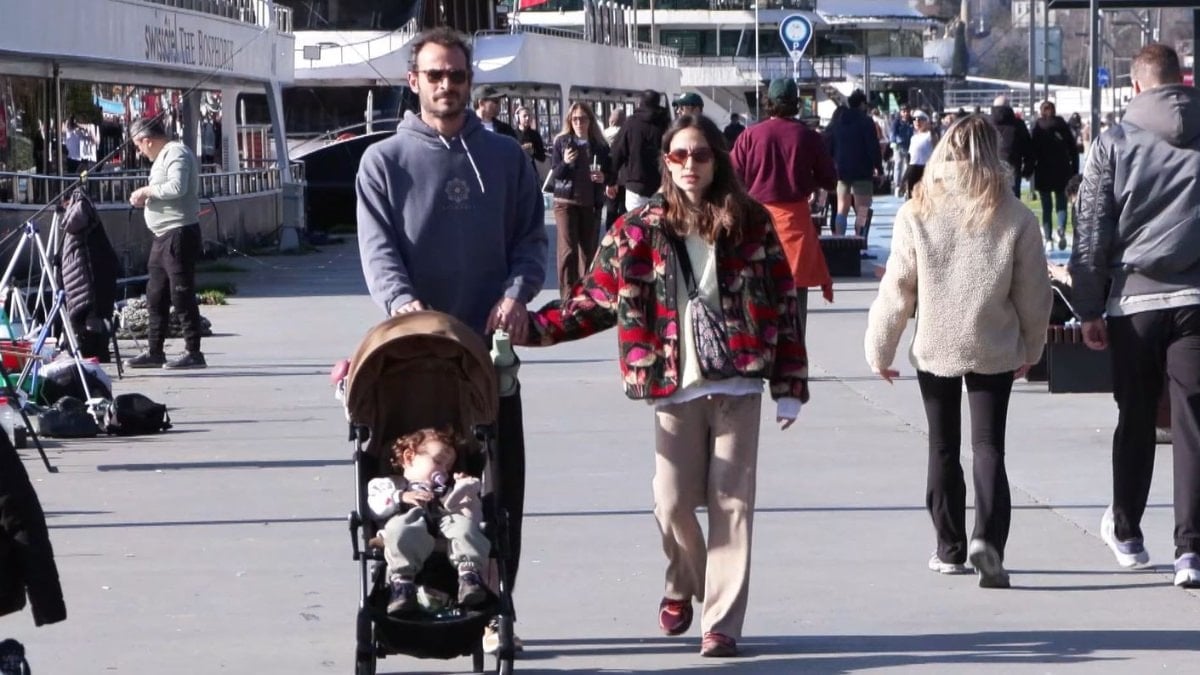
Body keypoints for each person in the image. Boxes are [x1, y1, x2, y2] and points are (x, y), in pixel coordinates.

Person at [520, 115, 808, 658]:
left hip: (739, 381)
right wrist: (528, 329)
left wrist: (790, 382)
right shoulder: (638, 227)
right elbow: (593, 302)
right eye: (678, 156)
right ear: (665, 162)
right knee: (672, 502)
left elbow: (784, 303)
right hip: (670, 381)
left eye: (700, 155)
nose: (690, 166)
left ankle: (720, 622)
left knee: (732, 504)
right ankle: (683, 580)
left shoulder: (750, 221)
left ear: (718, 159)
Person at [354, 26, 546, 650]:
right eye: (434, 75)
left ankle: (496, 609)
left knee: (499, 489)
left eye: (457, 76)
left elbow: (530, 240)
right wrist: (405, 307)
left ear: (471, 82)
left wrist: (517, 293)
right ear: (414, 82)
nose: (447, 86)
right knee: (417, 489)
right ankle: (410, 590)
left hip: (490, 359)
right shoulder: (383, 162)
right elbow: (379, 252)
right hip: (414, 355)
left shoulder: (506, 158)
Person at [865, 115, 1052, 589]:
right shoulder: (1014, 214)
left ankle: (948, 548)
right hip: (994, 341)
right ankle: (988, 540)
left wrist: (880, 348)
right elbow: (1035, 293)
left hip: (936, 343)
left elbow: (898, 289)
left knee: (942, 444)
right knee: (989, 446)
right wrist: (1032, 345)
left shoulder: (917, 209)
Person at [1067, 43, 1200, 589]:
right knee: (1193, 422)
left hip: (1135, 301)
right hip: (1195, 297)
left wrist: (1089, 306)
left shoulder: (1113, 142)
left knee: (1137, 415)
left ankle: (1127, 530)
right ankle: (1190, 550)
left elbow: (1093, 227)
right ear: (1180, 80)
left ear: (1137, 85)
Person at [731, 77, 836, 329]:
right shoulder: (808, 137)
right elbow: (830, 180)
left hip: (757, 220)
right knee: (796, 288)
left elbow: (733, 177)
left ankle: (763, 351)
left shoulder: (750, 135)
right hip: (795, 221)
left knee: (758, 286)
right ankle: (795, 354)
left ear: (769, 103)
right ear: (796, 104)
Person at [367, 427, 489, 615]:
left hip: (443, 525)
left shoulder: (447, 490)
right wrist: (400, 497)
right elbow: (374, 506)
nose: (444, 471)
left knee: (465, 527)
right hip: (409, 526)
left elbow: (472, 518)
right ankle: (402, 583)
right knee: (400, 529)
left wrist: (465, 491)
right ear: (409, 457)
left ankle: (469, 575)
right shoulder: (391, 484)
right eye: (438, 462)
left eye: (448, 467)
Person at [126, 117, 206, 370]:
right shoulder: (162, 157)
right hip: (162, 237)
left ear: (147, 140)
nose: (139, 152)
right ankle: (155, 351)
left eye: (138, 146)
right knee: (156, 295)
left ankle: (194, 352)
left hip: (178, 233)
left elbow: (177, 187)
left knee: (181, 294)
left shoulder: (176, 153)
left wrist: (147, 191)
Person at [548, 102, 613, 299]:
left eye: (583, 119)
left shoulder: (599, 146)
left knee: (589, 252)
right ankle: (567, 297)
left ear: (590, 121)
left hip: (590, 203)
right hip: (565, 202)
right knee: (568, 251)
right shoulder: (562, 142)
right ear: (570, 121)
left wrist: (604, 178)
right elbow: (556, 175)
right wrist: (566, 162)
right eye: (575, 119)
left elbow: (611, 174)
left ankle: (585, 295)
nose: (578, 123)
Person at [826, 90, 882, 236]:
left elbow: (829, 143)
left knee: (841, 209)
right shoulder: (866, 121)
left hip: (842, 171)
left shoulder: (838, 121)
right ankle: (860, 241)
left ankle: (838, 238)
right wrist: (879, 168)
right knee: (862, 210)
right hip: (862, 170)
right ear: (862, 104)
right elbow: (873, 147)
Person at [1030, 101, 1079, 251]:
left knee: (1046, 207)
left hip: (1043, 171)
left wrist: (1029, 170)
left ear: (1041, 111)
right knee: (1061, 203)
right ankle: (1061, 229)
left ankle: (1049, 238)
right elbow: (1073, 149)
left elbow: (1033, 151)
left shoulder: (1038, 128)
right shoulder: (1062, 125)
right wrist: (1074, 170)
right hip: (1062, 170)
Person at [611, 89, 670, 212]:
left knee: (636, 225)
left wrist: (611, 180)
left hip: (635, 185)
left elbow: (617, 152)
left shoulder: (631, 123)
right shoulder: (666, 125)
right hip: (661, 186)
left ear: (640, 103)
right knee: (658, 224)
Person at [989, 95, 1034, 198]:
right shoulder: (1017, 124)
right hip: (1012, 166)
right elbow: (1027, 147)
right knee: (1013, 201)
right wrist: (1028, 168)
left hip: (990, 166)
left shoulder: (987, 123)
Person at [602, 108, 627, 231]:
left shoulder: (604, 134)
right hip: (624, 178)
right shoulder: (625, 133)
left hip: (610, 177)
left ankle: (609, 233)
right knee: (623, 209)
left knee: (611, 207)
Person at [902, 110, 935, 198]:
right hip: (913, 167)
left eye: (920, 119)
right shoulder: (913, 137)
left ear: (926, 121)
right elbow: (910, 155)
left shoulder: (930, 135)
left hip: (926, 167)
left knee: (926, 195)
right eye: (915, 119)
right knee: (911, 193)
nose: (917, 121)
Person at [890, 106, 914, 197]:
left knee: (908, 166)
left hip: (910, 146)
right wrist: (893, 142)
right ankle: (897, 185)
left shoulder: (912, 121)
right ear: (901, 112)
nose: (905, 113)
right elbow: (893, 132)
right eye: (903, 111)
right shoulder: (896, 122)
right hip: (899, 146)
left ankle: (906, 186)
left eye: (907, 111)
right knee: (898, 165)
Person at [514, 106, 546, 171]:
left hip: (531, 170)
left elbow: (542, 157)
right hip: (516, 169)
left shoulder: (535, 135)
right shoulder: (512, 134)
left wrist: (533, 152)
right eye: (524, 116)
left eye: (529, 116)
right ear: (518, 118)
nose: (527, 118)